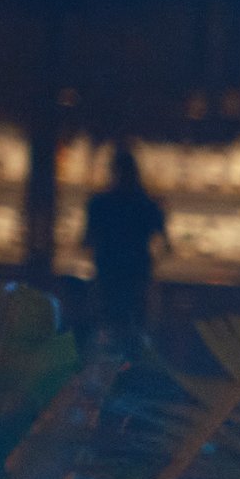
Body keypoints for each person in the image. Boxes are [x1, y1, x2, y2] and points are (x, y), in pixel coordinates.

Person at [82, 139, 168, 344]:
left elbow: (86, 242)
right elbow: (166, 245)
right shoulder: (148, 204)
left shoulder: (99, 204)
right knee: (136, 334)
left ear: (112, 171)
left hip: (107, 275)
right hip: (137, 277)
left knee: (107, 332)